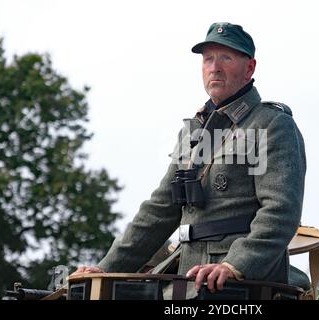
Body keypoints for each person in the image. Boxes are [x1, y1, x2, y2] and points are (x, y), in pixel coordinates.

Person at [74, 22, 307, 297]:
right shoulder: (193, 131)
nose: (214, 67)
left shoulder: (271, 125)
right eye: (208, 58)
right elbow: (159, 210)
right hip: (189, 275)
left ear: (250, 68)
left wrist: (236, 265)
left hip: (240, 284)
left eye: (226, 57)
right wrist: (105, 268)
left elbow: (280, 211)